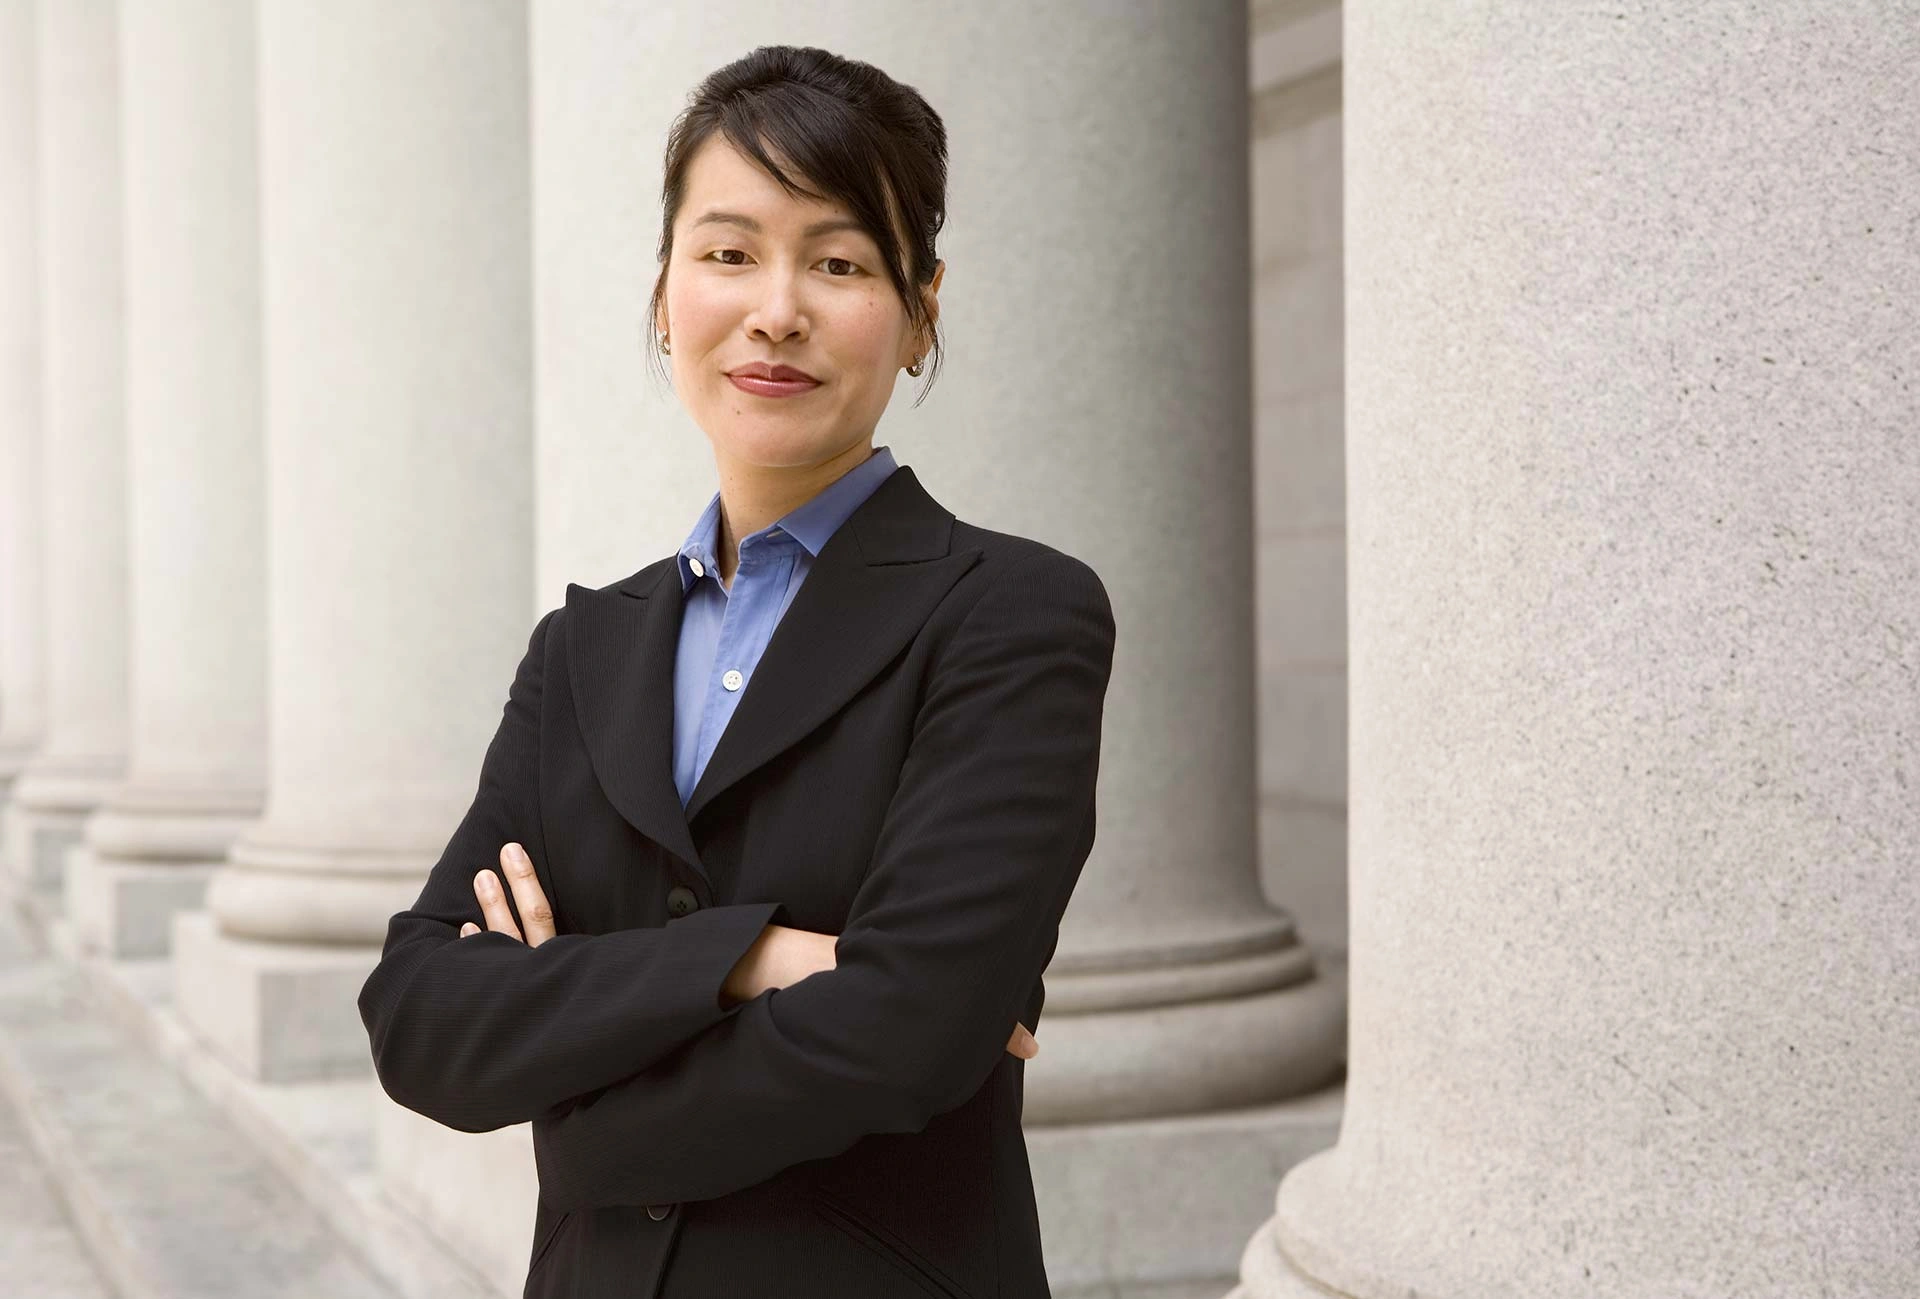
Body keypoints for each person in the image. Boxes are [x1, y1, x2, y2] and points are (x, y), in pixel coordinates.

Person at [356, 43, 1115, 1299]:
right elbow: (422, 1015)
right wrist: (751, 958)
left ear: (922, 311)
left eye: (838, 260)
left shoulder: (1012, 616)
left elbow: (907, 1032)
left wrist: (577, 1107)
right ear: (665, 295)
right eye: (727, 252)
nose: (777, 309)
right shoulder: (581, 654)